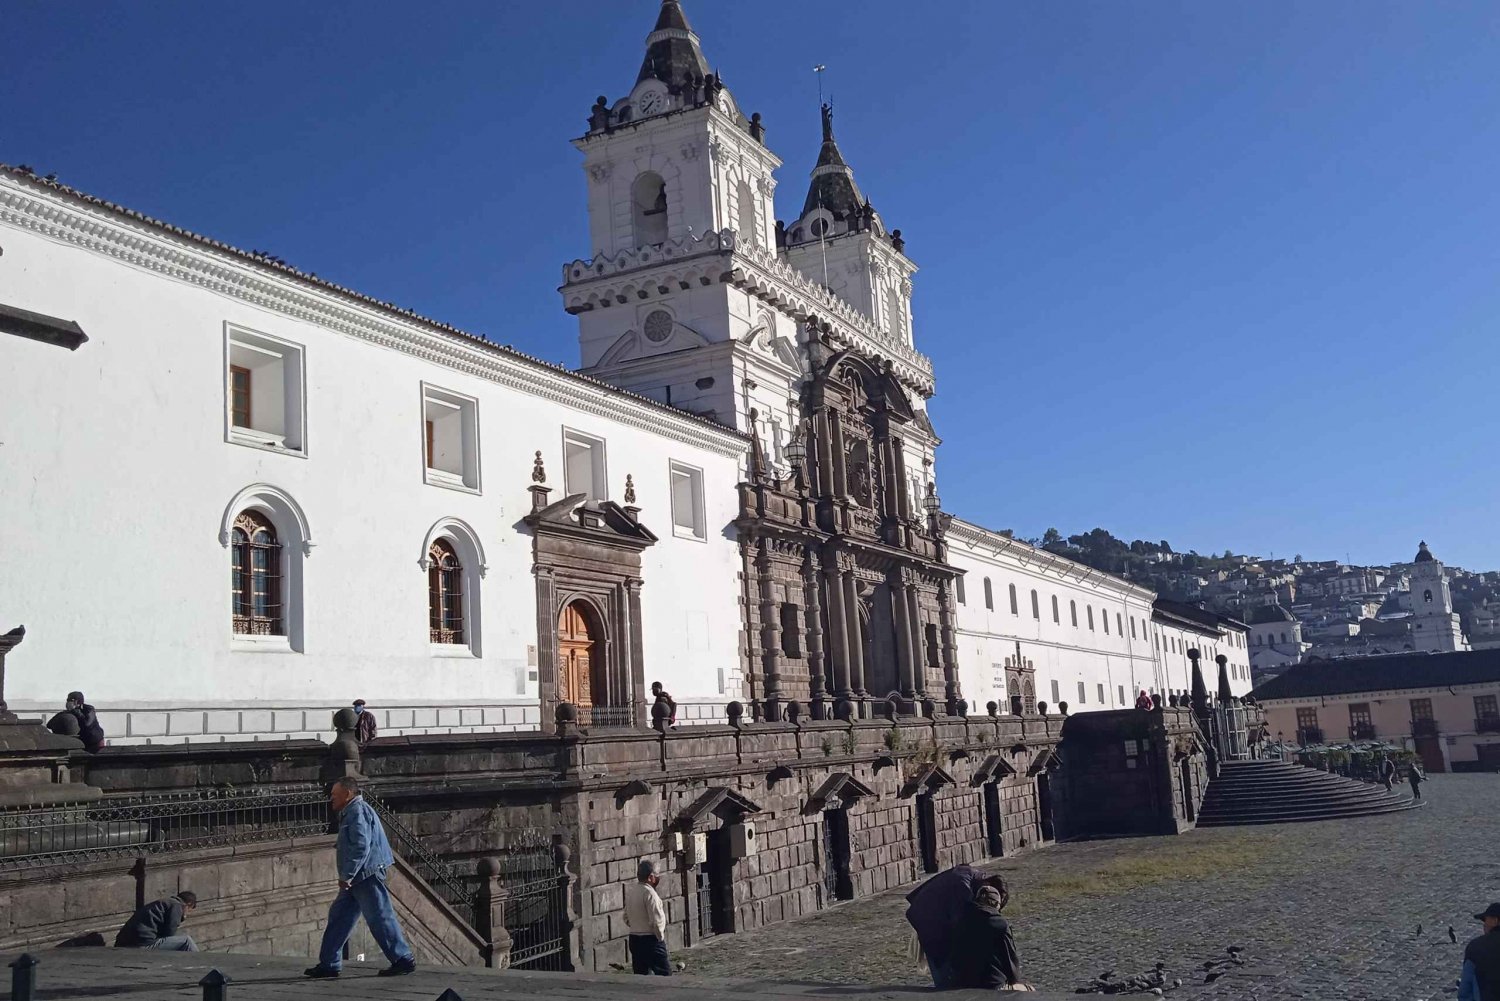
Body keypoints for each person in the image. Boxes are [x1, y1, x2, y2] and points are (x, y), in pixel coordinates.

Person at [304, 777, 416, 979]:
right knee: (339, 918)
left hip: (366, 875)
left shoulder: (357, 811)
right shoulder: (351, 812)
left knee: (379, 917)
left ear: (347, 794)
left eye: (334, 795)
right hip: (358, 877)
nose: (331, 799)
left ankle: (402, 959)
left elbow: (361, 846)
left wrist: (348, 874)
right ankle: (329, 963)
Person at [905, 863, 1006, 989]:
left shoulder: (971, 877)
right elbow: (961, 925)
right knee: (947, 980)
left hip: (932, 916)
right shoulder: (964, 889)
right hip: (931, 923)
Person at [949, 883, 1028, 991]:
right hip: (993, 985)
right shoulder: (999, 924)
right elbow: (1010, 959)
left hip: (962, 983)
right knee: (1028, 990)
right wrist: (1015, 981)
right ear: (996, 904)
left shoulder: (961, 920)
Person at [624, 859, 671, 975]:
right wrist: (660, 938)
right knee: (665, 975)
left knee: (641, 975)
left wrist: (636, 925)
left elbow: (626, 916)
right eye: (657, 875)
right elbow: (656, 920)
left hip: (634, 938)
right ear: (651, 877)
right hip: (650, 940)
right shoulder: (650, 894)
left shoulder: (632, 892)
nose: (658, 877)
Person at [114, 891, 199, 951]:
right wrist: (182, 917)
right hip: (140, 944)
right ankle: (202, 966)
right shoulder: (176, 906)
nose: (188, 913)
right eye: (189, 910)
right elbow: (170, 933)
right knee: (186, 941)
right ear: (189, 904)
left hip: (126, 942)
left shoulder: (164, 902)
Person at [1459, 903, 1500, 1001]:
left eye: (1485, 920)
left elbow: (1465, 991)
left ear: (1495, 921)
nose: (1484, 925)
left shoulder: (1476, 947)